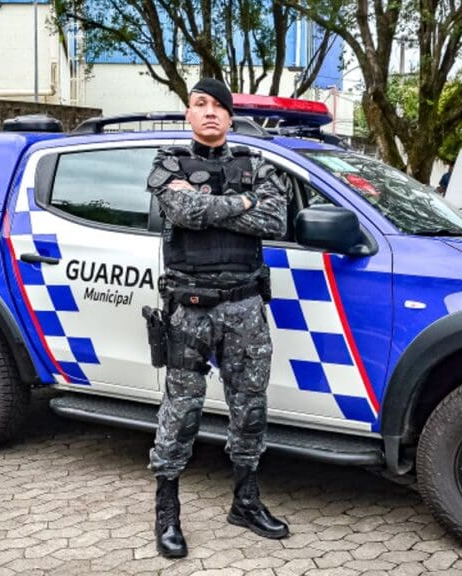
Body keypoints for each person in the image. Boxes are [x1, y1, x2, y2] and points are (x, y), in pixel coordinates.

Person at [144, 78, 290, 559]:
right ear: (188, 114)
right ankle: (168, 513)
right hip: (190, 309)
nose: (209, 112)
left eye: (218, 106)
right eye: (199, 104)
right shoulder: (168, 163)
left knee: (250, 409)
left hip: (245, 307)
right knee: (180, 413)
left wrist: (213, 208)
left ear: (230, 117)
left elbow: (274, 221)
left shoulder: (258, 165)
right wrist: (241, 203)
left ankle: (245, 502)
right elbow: (181, 210)